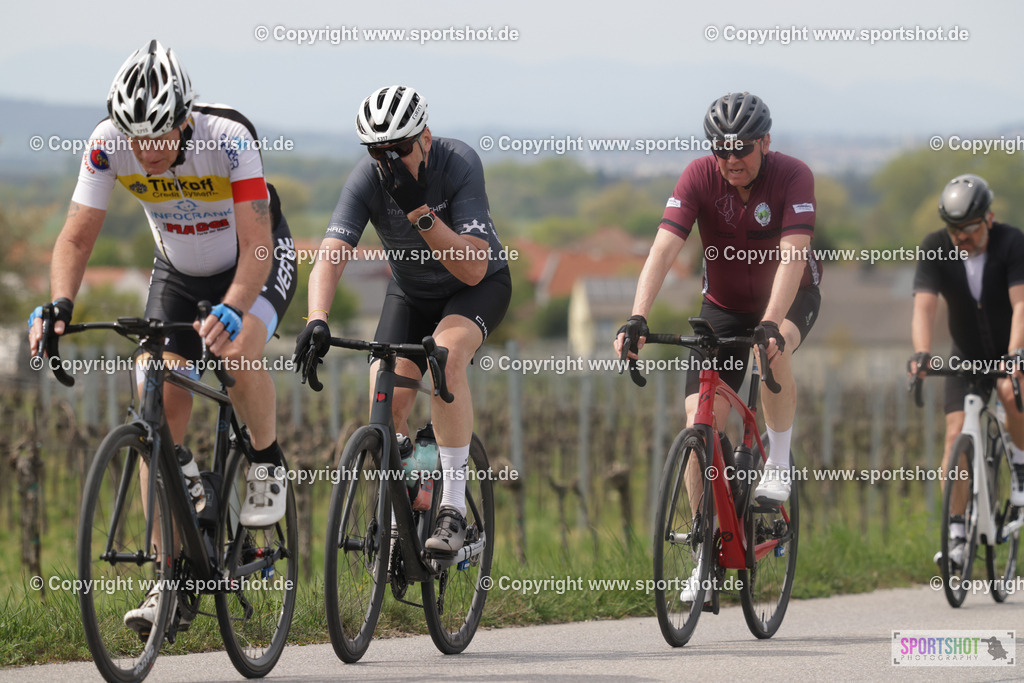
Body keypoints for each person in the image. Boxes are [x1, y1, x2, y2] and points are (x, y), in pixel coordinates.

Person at [27, 40, 296, 633]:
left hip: (253, 258)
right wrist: (58, 305)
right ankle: (167, 576)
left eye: (158, 137)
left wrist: (232, 307)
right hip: (176, 270)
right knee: (153, 394)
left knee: (239, 346)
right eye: (134, 137)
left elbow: (257, 243)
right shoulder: (107, 144)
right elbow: (75, 238)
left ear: (182, 119)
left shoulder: (229, 139)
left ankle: (267, 462)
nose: (144, 151)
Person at [614, 92, 821, 600]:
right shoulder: (699, 176)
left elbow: (793, 255)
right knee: (698, 423)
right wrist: (638, 315)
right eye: (721, 149)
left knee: (770, 351)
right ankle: (706, 546)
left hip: (790, 297)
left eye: (742, 149)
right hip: (723, 306)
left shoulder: (793, 175)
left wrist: (771, 323)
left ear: (765, 142)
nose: (731, 160)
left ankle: (778, 462)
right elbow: (665, 246)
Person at [294, 85, 511, 555]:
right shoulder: (368, 180)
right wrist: (317, 318)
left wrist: (420, 214)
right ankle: (410, 483)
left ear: (426, 138)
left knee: (446, 360)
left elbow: (474, 266)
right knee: (384, 393)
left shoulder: (458, 163)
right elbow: (330, 256)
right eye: (378, 152)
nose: (389, 161)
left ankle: (452, 509)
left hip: (474, 288)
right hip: (412, 293)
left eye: (400, 149)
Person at [909, 173, 1024, 566]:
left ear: (988, 218)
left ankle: (1021, 472)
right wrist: (922, 353)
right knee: (955, 435)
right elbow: (924, 305)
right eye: (954, 229)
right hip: (966, 354)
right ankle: (958, 533)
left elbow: (1021, 303)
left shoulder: (1012, 242)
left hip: (1012, 348)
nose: (961, 237)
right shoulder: (935, 247)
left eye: (970, 229)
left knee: (1011, 392)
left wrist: (1014, 355)